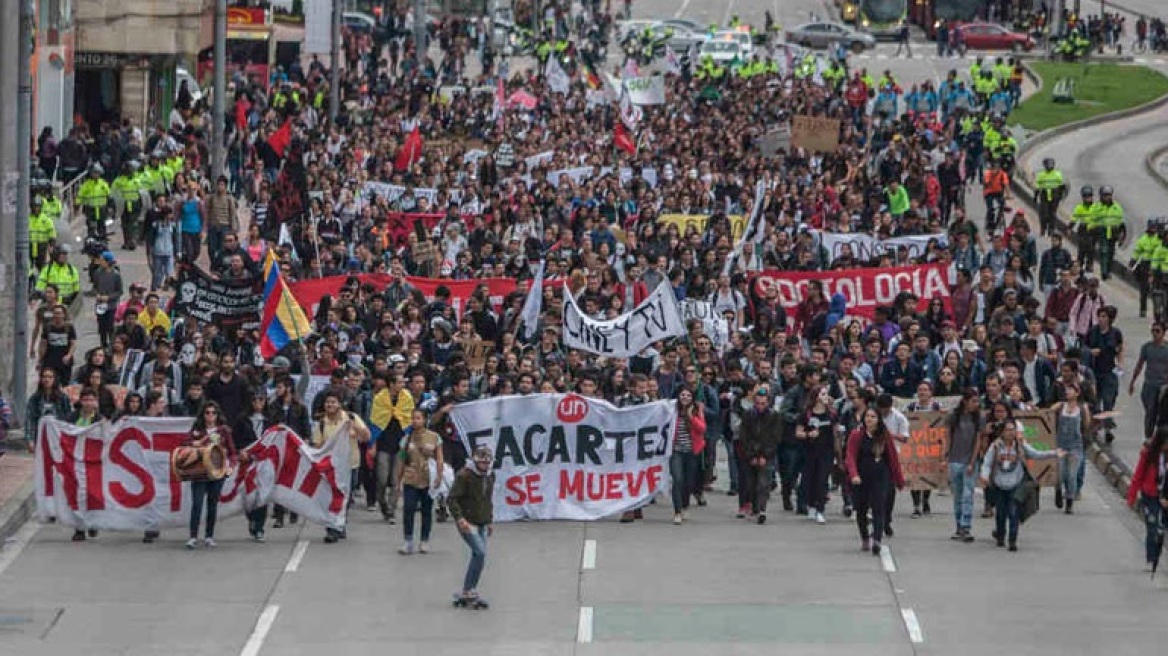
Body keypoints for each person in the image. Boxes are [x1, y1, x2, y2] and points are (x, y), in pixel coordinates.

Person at [979, 421, 1063, 551]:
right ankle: (1000, 536)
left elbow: (1035, 454)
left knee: (1014, 513)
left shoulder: (1020, 446)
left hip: (1015, 485)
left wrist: (1054, 453)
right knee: (1000, 513)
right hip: (999, 486)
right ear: (1002, 432)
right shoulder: (995, 447)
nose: (1011, 433)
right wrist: (984, 476)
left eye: (1013, 430)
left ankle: (1012, 540)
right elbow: (987, 463)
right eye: (1008, 430)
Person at [311, 390, 371, 543]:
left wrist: (354, 428)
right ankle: (332, 529)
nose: (330, 405)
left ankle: (340, 523)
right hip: (330, 467)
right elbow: (317, 446)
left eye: (333, 402)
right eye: (327, 402)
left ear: (339, 404)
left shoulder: (351, 418)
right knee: (331, 498)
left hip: (350, 464)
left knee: (346, 498)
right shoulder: (322, 423)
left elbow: (366, 437)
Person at [846, 407, 905, 555]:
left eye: (873, 417)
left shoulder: (884, 436)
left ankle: (877, 539)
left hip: (880, 477)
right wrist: (854, 474)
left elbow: (893, 459)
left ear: (878, 420)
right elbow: (850, 456)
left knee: (879, 508)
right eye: (867, 416)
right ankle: (865, 537)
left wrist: (898, 480)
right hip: (861, 478)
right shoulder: (856, 435)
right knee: (861, 510)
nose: (869, 419)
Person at [448, 445, 496, 609]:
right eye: (482, 462)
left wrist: (490, 520)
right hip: (468, 522)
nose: (485, 466)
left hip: (482, 521)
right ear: (475, 461)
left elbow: (488, 500)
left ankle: (469, 589)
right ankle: (469, 590)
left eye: (487, 463)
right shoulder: (464, 476)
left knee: (479, 556)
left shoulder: (490, 476)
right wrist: (460, 519)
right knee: (480, 552)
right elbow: (452, 499)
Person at [184, 401, 236, 549]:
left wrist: (231, 467)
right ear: (203, 414)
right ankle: (193, 536)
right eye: (207, 413)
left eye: (213, 413)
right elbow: (184, 443)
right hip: (200, 472)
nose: (210, 416)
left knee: (212, 505)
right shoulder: (197, 430)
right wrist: (193, 443)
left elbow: (232, 452)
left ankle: (209, 536)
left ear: (218, 414)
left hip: (217, 472)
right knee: (197, 504)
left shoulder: (223, 431)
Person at [395, 408, 443, 554]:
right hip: (411, 479)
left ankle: (424, 540)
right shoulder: (406, 439)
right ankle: (408, 540)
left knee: (426, 510)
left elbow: (439, 458)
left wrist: (439, 476)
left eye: (418, 418)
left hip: (428, 479)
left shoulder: (435, 437)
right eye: (413, 418)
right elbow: (401, 459)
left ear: (425, 420)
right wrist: (398, 480)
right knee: (408, 509)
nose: (415, 421)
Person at [739, 386, 782, 524]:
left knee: (763, 483)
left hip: (767, 454)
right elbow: (744, 436)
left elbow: (775, 438)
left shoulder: (774, 416)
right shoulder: (748, 414)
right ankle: (755, 507)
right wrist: (751, 455)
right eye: (757, 403)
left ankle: (762, 509)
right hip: (751, 453)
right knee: (751, 483)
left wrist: (765, 455)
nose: (760, 406)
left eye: (763, 403)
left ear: (768, 402)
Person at [67, 388, 106, 541]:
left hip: (93, 463)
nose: (89, 403)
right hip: (75, 461)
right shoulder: (72, 417)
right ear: (81, 401)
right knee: (77, 495)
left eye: (91, 400)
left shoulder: (100, 420)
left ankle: (93, 523)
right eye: (86, 400)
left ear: (96, 402)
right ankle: (79, 529)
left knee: (92, 495)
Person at [1127, 427, 1168, 572]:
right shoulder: (1148, 455)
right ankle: (1151, 558)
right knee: (1152, 527)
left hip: (1164, 496)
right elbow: (1138, 475)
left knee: (1162, 528)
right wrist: (1131, 496)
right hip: (1150, 495)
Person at [797, 385, 836, 525]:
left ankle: (820, 509)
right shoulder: (806, 414)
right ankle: (811, 505)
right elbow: (798, 432)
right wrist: (808, 434)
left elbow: (836, 432)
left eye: (826, 394)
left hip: (827, 452)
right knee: (810, 479)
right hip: (810, 451)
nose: (826, 397)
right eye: (823, 394)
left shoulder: (831, 414)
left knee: (822, 479)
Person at [234, 393, 270, 542]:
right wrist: (240, 451)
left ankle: (259, 527)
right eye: (254, 400)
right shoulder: (242, 419)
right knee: (247, 493)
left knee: (263, 494)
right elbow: (235, 439)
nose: (257, 403)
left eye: (261, 400)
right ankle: (251, 518)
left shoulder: (270, 419)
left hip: (265, 461)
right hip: (246, 461)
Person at [1051, 384, 1091, 514]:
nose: (1067, 392)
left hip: (1076, 446)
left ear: (1077, 393)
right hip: (1060, 445)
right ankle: (1058, 489)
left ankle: (1069, 501)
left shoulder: (1082, 408)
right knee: (1060, 473)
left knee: (1072, 475)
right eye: (1067, 390)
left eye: (1071, 390)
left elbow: (1087, 425)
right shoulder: (1060, 406)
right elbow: (1047, 413)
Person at [670, 386, 706, 525]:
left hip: (692, 451)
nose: (685, 398)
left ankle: (685, 505)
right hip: (676, 451)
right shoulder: (672, 410)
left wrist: (691, 416)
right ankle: (677, 511)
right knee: (677, 479)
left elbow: (702, 428)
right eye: (682, 395)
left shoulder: (697, 410)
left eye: (688, 395)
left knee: (688, 482)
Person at [1128, 321, 1168, 440]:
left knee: (1162, 413)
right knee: (1150, 412)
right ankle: (1148, 437)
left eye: (1157, 331)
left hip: (1163, 386)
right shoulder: (1147, 347)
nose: (1155, 334)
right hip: (1149, 385)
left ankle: (1160, 437)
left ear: (1163, 333)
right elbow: (1139, 364)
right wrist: (1132, 382)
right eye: (1153, 331)